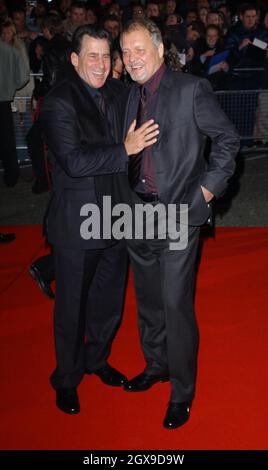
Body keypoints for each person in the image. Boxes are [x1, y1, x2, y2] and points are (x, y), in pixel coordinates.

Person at [120, 19, 240, 429]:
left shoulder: (190, 89)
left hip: (177, 214)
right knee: (149, 303)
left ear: (157, 50)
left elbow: (227, 140)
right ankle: (156, 367)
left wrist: (205, 193)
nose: (132, 58)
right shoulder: (127, 96)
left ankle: (182, 391)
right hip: (135, 214)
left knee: (175, 304)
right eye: (126, 51)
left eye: (139, 49)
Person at [40, 24, 159, 415]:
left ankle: (97, 360)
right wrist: (123, 150)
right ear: (75, 59)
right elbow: (73, 162)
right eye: (92, 55)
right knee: (71, 308)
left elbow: (151, 103)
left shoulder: (118, 92)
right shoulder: (59, 102)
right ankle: (67, 378)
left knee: (108, 303)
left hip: (116, 217)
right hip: (76, 221)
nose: (101, 64)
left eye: (107, 56)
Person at [0, 39, 29, 187]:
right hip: (4, 100)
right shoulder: (10, 51)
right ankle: (11, 177)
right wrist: (11, 85)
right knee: (7, 141)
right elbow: (24, 77)